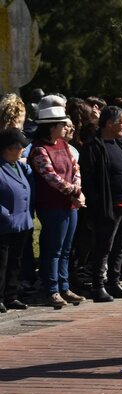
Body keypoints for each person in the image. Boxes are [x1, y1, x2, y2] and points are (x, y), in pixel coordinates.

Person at [80, 106, 122, 302]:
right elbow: (89, 180)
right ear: (109, 123)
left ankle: (113, 282)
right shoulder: (94, 146)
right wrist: (98, 206)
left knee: (120, 246)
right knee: (104, 246)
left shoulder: (120, 142)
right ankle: (98, 286)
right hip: (110, 207)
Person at [30, 107, 86, 309]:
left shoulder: (63, 145)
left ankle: (64, 286)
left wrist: (77, 191)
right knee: (53, 248)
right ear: (51, 126)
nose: (66, 127)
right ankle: (52, 289)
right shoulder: (39, 149)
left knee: (66, 248)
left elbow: (75, 168)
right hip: (52, 205)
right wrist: (74, 192)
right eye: (62, 124)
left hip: (70, 203)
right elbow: (50, 176)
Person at [0, 129, 33, 312]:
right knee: (2, 262)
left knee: (15, 261)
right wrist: (5, 214)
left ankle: (11, 295)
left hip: (22, 221)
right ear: (9, 148)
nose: (23, 149)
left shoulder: (18, 165)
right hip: (5, 223)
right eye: (20, 146)